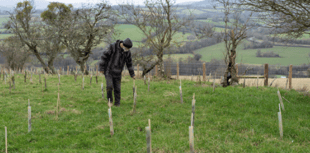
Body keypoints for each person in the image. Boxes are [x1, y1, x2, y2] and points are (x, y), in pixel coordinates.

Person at [99, 38, 135, 107]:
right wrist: (101, 68)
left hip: (118, 73)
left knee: (117, 89)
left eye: (128, 49)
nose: (127, 50)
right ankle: (110, 101)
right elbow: (104, 57)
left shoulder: (127, 52)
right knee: (109, 86)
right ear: (123, 45)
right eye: (127, 48)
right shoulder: (113, 47)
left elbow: (129, 64)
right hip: (109, 71)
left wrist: (132, 74)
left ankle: (117, 103)